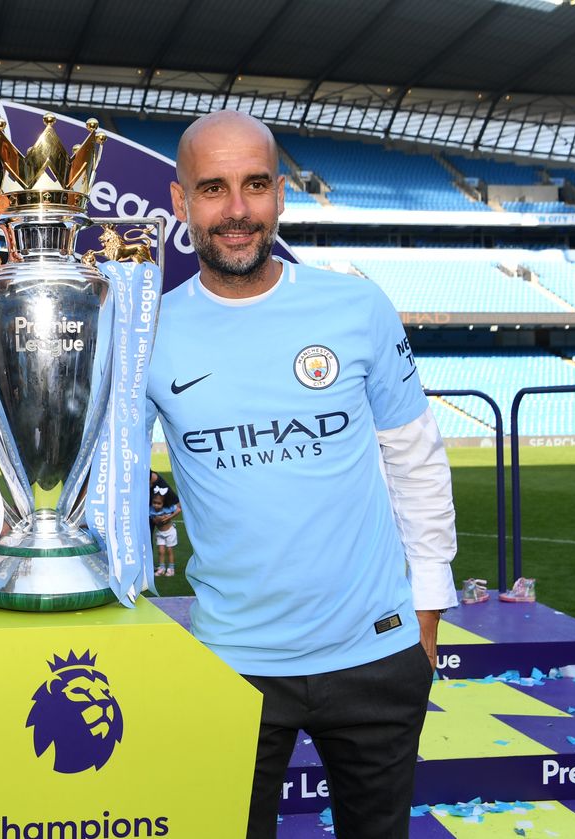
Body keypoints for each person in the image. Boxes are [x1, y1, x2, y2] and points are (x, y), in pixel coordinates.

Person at [148, 111, 457, 839]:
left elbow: (415, 458)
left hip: (378, 653)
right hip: (231, 664)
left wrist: (428, 612)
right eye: (214, 188)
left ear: (281, 193)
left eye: (255, 185)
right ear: (179, 200)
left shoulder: (354, 305)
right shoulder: (150, 332)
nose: (237, 210)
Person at [149, 493, 180, 576]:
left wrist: (169, 517)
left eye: (159, 503)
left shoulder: (167, 508)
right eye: (154, 502)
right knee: (161, 551)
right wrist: (156, 520)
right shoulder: (150, 510)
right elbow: (152, 519)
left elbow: (178, 510)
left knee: (169, 550)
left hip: (170, 532)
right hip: (160, 533)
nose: (156, 505)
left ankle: (171, 569)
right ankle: (162, 568)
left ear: (163, 503)